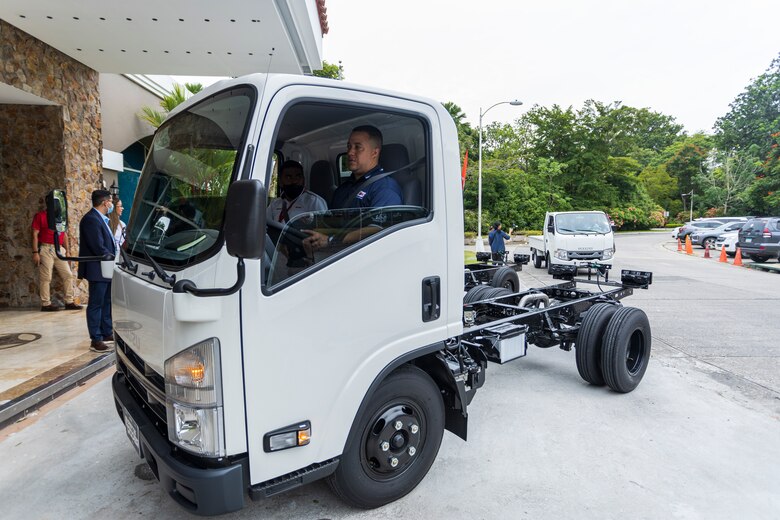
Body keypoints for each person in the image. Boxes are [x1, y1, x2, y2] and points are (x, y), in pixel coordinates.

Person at [303, 125, 402, 251]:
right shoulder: (343, 189)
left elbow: (378, 230)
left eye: (358, 147)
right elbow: (332, 223)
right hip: (333, 257)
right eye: (349, 146)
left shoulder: (385, 188)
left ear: (374, 152)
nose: (350, 152)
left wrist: (331, 241)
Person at [78, 190, 116, 353]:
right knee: (96, 303)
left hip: (106, 267)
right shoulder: (91, 219)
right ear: (104, 202)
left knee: (106, 301)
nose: (111, 204)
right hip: (97, 268)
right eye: (110, 201)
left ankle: (106, 332)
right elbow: (97, 246)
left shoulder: (102, 219)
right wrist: (111, 256)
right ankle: (96, 339)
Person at [31, 201, 82, 312]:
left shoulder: (60, 217)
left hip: (59, 249)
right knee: (46, 277)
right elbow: (35, 234)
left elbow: (64, 235)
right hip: (46, 248)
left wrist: (67, 251)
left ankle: (69, 301)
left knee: (68, 274)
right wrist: (35, 252)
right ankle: (46, 304)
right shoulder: (40, 216)